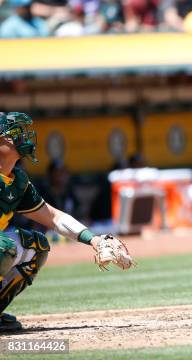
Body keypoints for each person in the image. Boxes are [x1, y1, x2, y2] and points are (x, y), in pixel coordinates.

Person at [0, 112, 131, 331]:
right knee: (4, 247)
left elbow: (54, 217)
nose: (22, 138)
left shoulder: (17, 181)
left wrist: (95, 241)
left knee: (37, 246)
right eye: (13, 134)